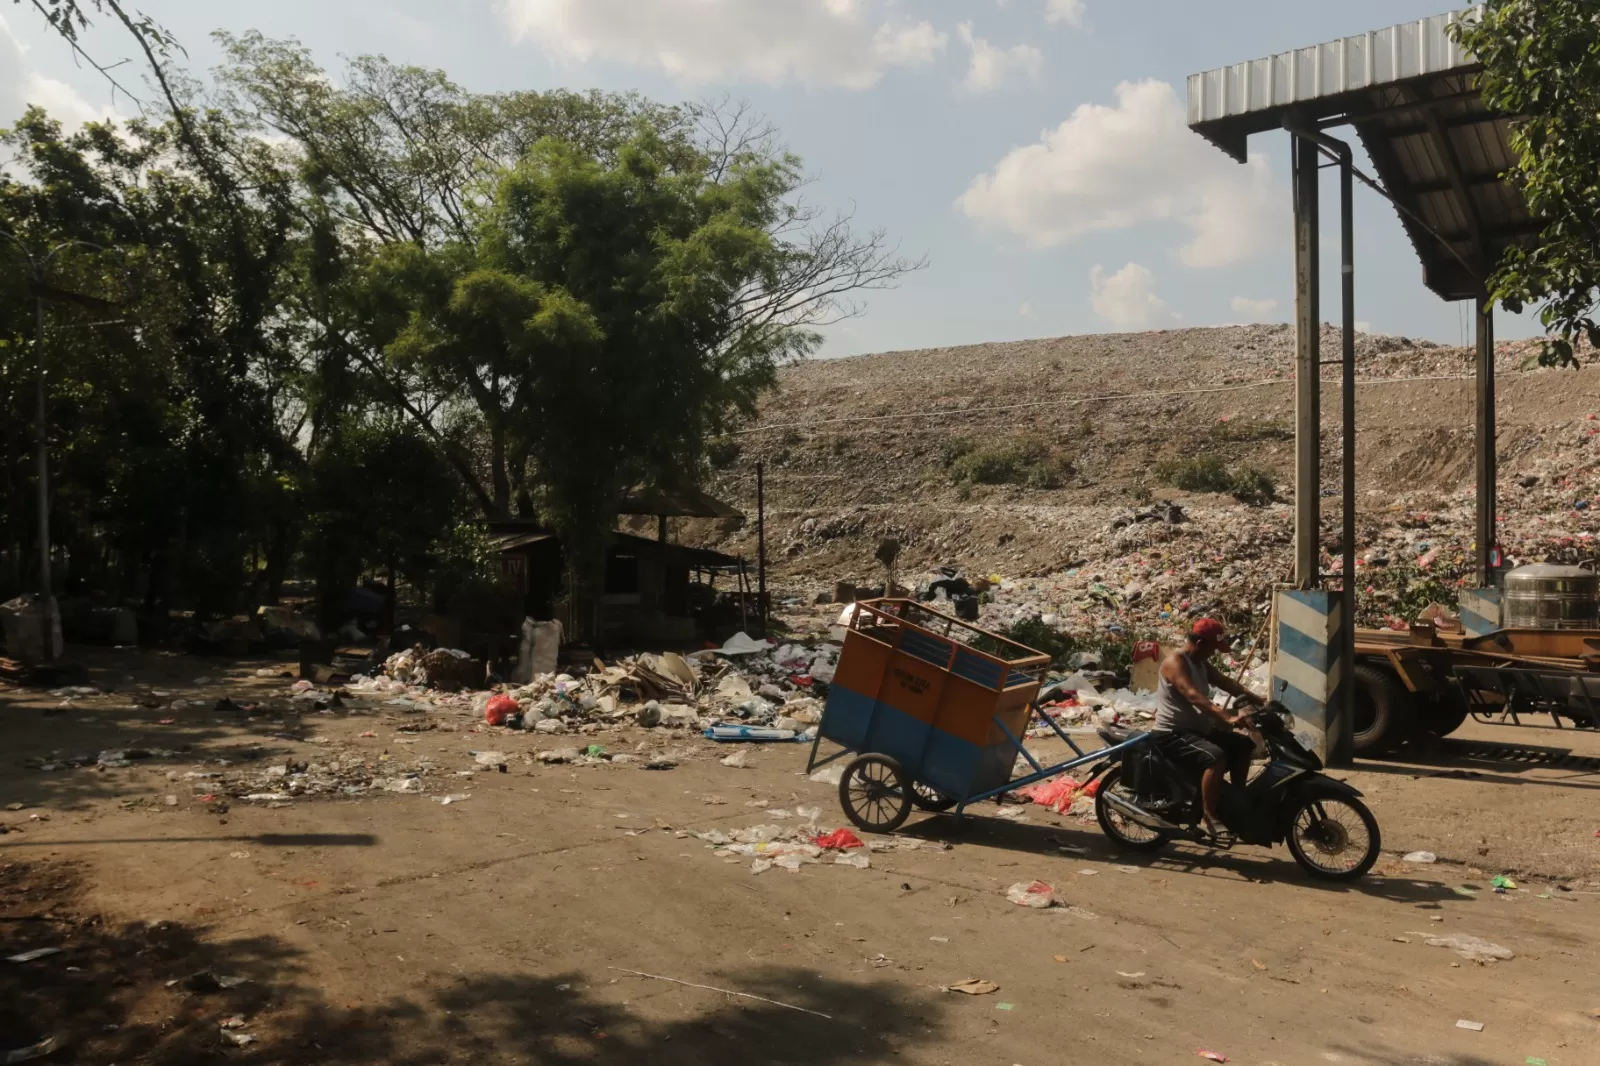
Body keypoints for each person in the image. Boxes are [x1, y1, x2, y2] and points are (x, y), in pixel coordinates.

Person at [1153, 617, 1264, 841]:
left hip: (1196, 730)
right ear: (1201, 644)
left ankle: (1235, 801)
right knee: (1216, 757)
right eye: (1214, 648)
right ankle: (1209, 817)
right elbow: (1194, 695)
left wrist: (1261, 702)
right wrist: (1228, 718)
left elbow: (1227, 683)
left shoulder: (1201, 663)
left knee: (1243, 745)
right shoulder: (1176, 662)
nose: (1214, 654)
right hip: (1173, 733)